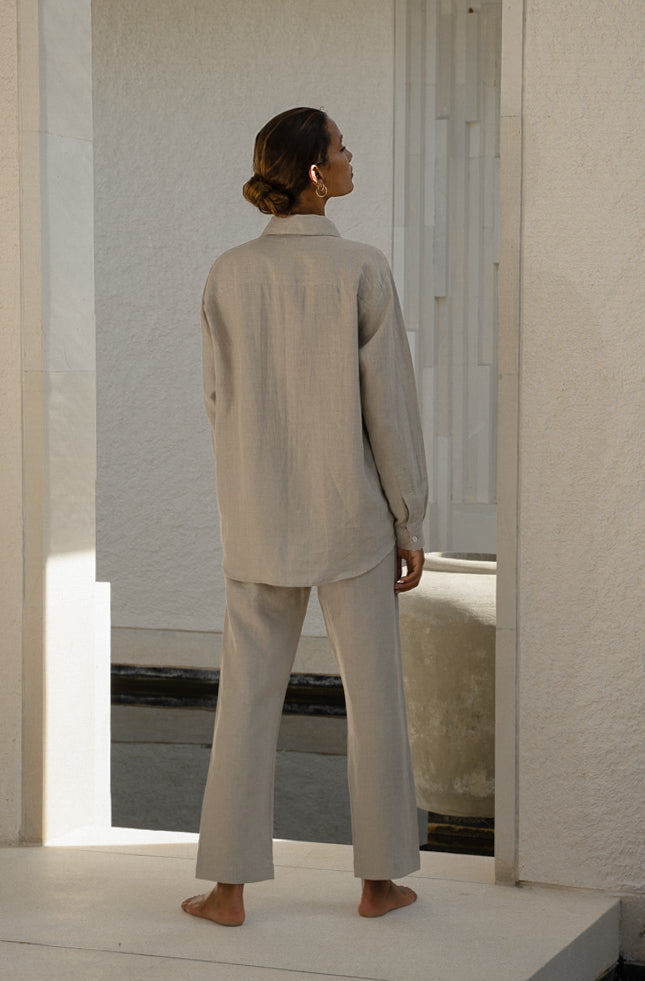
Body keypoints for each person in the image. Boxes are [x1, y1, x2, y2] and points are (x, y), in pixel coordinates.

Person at [182, 107, 428, 926]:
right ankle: (379, 883)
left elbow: (217, 401)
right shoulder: (361, 268)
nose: (353, 156)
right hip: (351, 520)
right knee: (374, 700)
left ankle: (227, 889)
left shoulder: (227, 273)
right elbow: (389, 409)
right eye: (342, 148)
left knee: (245, 700)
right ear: (318, 174)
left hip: (257, 520)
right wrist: (408, 518)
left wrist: (247, 490)